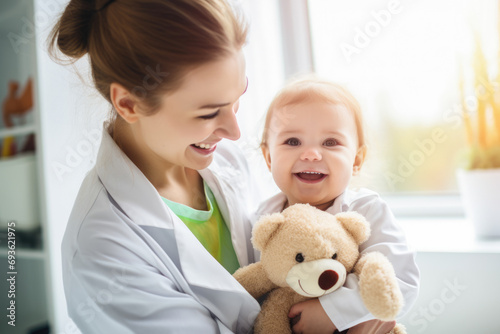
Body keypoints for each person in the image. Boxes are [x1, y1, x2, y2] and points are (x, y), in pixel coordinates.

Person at [50, 0, 259, 333]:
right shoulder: (102, 249)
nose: (234, 132)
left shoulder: (227, 161)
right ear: (129, 103)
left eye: (237, 100)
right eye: (208, 114)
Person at [258, 76, 420, 333]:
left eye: (330, 143)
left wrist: (331, 312)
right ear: (268, 157)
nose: (311, 153)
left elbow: (400, 281)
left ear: (356, 160)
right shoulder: (263, 219)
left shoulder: (365, 210)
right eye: (292, 141)